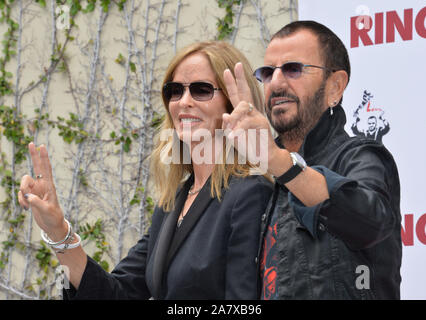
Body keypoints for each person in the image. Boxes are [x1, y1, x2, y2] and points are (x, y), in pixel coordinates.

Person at [17, 41, 273, 299]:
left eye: (201, 90)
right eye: (175, 91)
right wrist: (57, 230)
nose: (183, 102)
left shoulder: (250, 194)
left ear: (232, 103)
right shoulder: (172, 203)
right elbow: (116, 294)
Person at [222, 20, 402, 299]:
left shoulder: (362, 155)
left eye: (293, 69)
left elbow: (369, 223)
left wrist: (277, 160)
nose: (277, 82)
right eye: (268, 73)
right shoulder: (263, 177)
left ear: (335, 87)